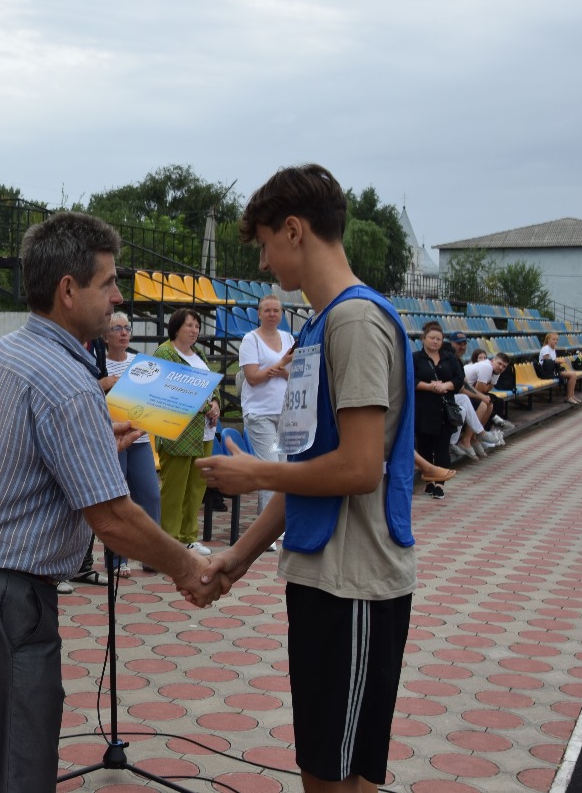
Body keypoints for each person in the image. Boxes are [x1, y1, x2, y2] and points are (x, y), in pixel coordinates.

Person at [0, 211, 226, 793]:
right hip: (7, 593)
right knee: (18, 757)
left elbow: (19, 451)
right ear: (69, 289)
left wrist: (94, 438)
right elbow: (112, 517)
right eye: (109, 283)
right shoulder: (65, 382)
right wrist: (189, 567)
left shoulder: (6, 354)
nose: (118, 299)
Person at [196, 164, 416, 793]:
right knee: (324, 762)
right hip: (324, 575)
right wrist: (237, 556)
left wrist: (252, 472)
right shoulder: (320, 326)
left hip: (356, 582)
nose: (265, 262)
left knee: (338, 774)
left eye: (265, 243)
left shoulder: (352, 322)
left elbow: (358, 468)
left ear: (294, 231)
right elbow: (307, 473)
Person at [153, 307, 221, 556]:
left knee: (197, 485)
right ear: (176, 327)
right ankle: (168, 542)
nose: (194, 330)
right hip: (177, 431)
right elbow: (168, 389)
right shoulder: (165, 352)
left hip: (204, 430)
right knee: (174, 488)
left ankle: (189, 536)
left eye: (197, 326)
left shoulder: (199, 353)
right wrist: (204, 405)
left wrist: (215, 403)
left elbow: (211, 387)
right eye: (189, 325)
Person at [101, 311, 162, 577]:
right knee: (117, 498)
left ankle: (152, 556)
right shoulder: (99, 364)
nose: (124, 332)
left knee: (150, 495)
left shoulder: (140, 362)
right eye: (117, 328)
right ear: (105, 335)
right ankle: (116, 560)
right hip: (111, 438)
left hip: (139, 437)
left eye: (127, 328)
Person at [238, 293, 294, 547]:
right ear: (259, 313)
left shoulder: (288, 338)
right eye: (267, 310)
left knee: (283, 470)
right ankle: (265, 531)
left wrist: (280, 371)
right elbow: (252, 377)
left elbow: (293, 373)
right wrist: (277, 369)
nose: (272, 314)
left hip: (284, 413)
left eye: (276, 310)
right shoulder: (251, 340)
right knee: (270, 469)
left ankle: (280, 525)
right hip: (259, 414)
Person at [413, 322, 462, 496]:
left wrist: (446, 385)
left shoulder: (449, 357)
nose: (435, 342)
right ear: (423, 339)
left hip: (445, 408)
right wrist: (430, 386)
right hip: (424, 408)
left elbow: (459, 378)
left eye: (439, 339)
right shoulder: (416, 358)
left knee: (442, 446)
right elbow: (411, 380)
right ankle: (429, 479)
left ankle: (440, 484)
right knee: (425, 446)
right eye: (432, 338)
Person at [539, 331, 582, 404]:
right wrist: (558, 361)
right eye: (553, 339)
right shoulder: (546, 349)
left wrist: (558, 360)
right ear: (548, 340)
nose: (555, 341)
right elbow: (546, 362)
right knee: (572, 375)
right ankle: (569, 397)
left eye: (557, 339)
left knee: (573, 374)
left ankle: (572, 395)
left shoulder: (553, 349)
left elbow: (552, 361)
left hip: (553, 370)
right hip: (547, 372)